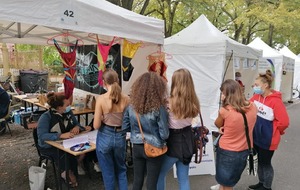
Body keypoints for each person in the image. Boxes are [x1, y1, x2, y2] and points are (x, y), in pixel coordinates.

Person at [122, 72, 169, 190]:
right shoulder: (159, 108)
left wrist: (136, 131)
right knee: (151, 183)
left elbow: (125, 127)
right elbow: (165, 134)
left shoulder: (131, 106)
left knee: (137, 181)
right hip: (155, 148)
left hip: (137, 146)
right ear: (158, 88)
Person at [157, 68, 200, 190]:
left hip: (172, 142)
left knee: (160, 174)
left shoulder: (168, 102)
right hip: (188, 141)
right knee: (184, 178)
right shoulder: (194, 102)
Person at [37, 92, 91, 187]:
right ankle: (66, 173)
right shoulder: (46, 117)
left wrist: (77, 127)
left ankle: (72, 168)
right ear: (59, 107)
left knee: (83, 150)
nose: (69, 106)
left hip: (66, 142)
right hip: (49, 146)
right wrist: (60, 135)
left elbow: (77, 124)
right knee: (64, 155)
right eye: (67, 105)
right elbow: (42, 136)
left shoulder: (68, 113)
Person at [248, 70, 289, 190]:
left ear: (265, 85)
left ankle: (267, 186)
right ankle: (261, 183)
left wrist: (274, 130)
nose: (254, 87)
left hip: (268, 139)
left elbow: (284, 122)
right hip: (256, 137)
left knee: (265, 163)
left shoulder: (276, 101)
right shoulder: (256, 97)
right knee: (259, 161)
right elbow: (247, 108)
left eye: (256, 85)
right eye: (254, 85)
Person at [214, 79, 257, 190]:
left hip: (227, 151)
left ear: (227, 95)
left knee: (226, 183)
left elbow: (217, 124)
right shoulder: (253, 107)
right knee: (229, 181)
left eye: (223, 93)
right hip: (245, 149)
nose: (221, 95)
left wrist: (223, 106)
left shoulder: (225, 111)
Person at [93, 69, 130, 190]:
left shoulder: (101, 99)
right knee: (121, 170)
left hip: (105, 136)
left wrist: (104, 118)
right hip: (120, 136)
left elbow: (96, 126)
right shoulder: (126, 99)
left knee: (108, 173)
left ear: (104, 82)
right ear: (118, 81)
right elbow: (127, 120)